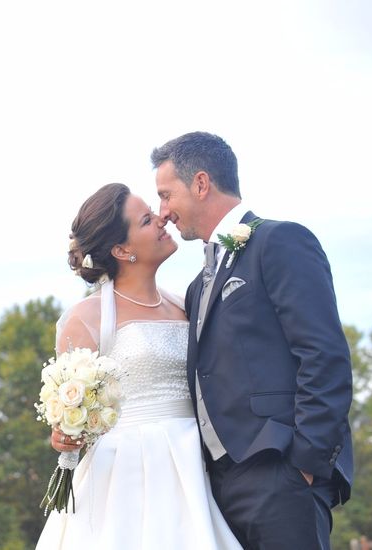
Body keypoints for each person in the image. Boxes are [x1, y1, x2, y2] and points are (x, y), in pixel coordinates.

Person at [152, 131, 354, 549]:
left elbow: (324, 355)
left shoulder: (279, 241)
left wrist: (305, 464)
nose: (163, 211)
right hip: (219, 488)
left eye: (166, 195)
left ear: (202, 183)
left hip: (281, 473)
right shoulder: (195, 286)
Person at [36, 183, 241, 549]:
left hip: (196, 463)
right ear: (122, 250)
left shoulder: (187, 304)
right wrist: (63, 435)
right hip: (126, 474)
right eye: (147, 219)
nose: (163, 218)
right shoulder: (85, 318)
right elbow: (68, 425)